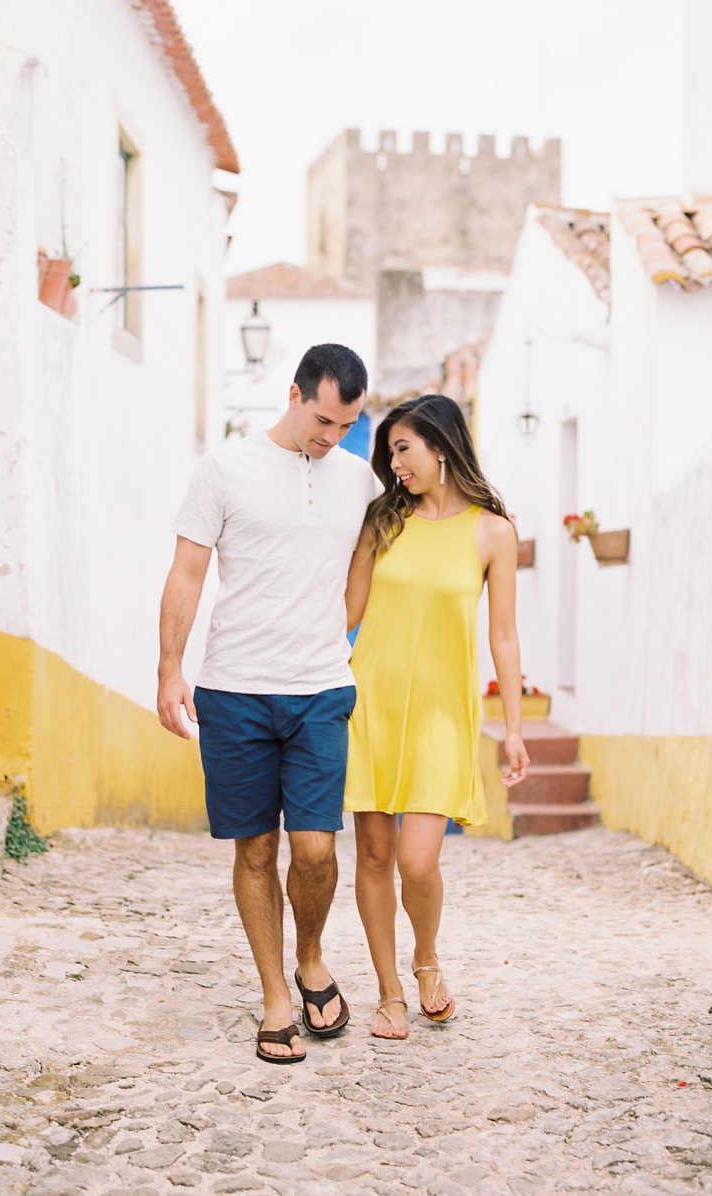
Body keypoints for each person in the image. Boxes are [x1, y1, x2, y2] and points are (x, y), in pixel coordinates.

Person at [157, 343, 381, 1065]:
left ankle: (310, 956)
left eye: (345, 425)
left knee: (315, 848)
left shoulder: (359, 482)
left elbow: (369, 577)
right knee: (256, 849)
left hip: (320, 688)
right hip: (234, 689)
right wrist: (170, 669)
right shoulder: (225, 469)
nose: (330, 437)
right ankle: (276, 999)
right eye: (321, 419)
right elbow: (188, 574)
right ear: (292, 394)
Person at [344, 393, 529, 1040]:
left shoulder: (492, 531)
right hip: (370, 703)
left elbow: (503, 636)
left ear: (442, 447)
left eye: (403, 448)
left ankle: (426, 959)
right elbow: (347, 613)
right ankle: (390, 993)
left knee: (418, 861)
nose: (393, 463)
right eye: (389, 451)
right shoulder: (382, 522)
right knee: (373, 853)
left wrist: (512, 730)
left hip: (441, 717)